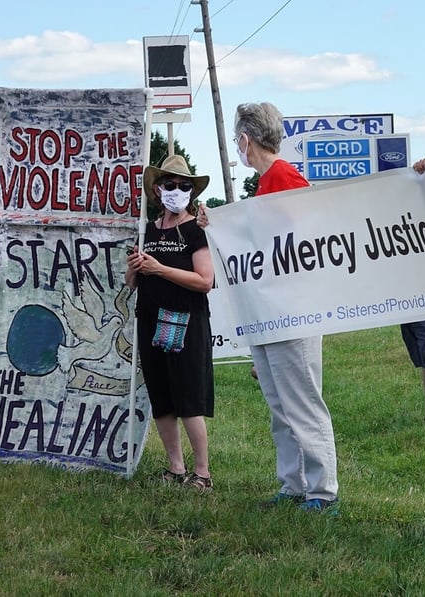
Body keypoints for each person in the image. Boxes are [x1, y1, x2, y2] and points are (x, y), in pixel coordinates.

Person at [202, 101, 339, 514]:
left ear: (245, 140)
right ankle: (294, 483)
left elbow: (295, 241)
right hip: (272, 312)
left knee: (300, 402)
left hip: (291, 310)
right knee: (282, 405)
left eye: (237, 143)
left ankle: (322, 490)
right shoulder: (269, 182)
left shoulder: (282, 178)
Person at [125, 155, 215, 491]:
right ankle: (175, 468)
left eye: (184, 186)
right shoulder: (145, 230)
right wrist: (135, 268)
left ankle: (202, 473)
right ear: (156, 189)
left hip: (187, 322)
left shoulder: (196, 231)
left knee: (189, 398)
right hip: (150, 319)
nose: (176, 190)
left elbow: (205, 280)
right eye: (170, 184)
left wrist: (160, 269)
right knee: (161, 399)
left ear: (191, 192)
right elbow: (131, 282)